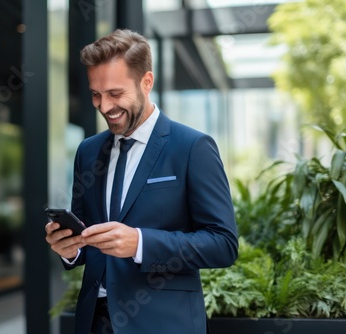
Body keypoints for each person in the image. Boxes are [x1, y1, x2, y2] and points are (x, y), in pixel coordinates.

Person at [45, 29, 238, 334]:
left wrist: (140, 243)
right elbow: (86, 236)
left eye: (115, 93)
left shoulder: (192, 147)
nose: (104, 106)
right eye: (96, 94)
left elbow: (223, 244)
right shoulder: (88, 151)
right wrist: (70, 248)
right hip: (95, 322)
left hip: (163, 323)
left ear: (147, 82)